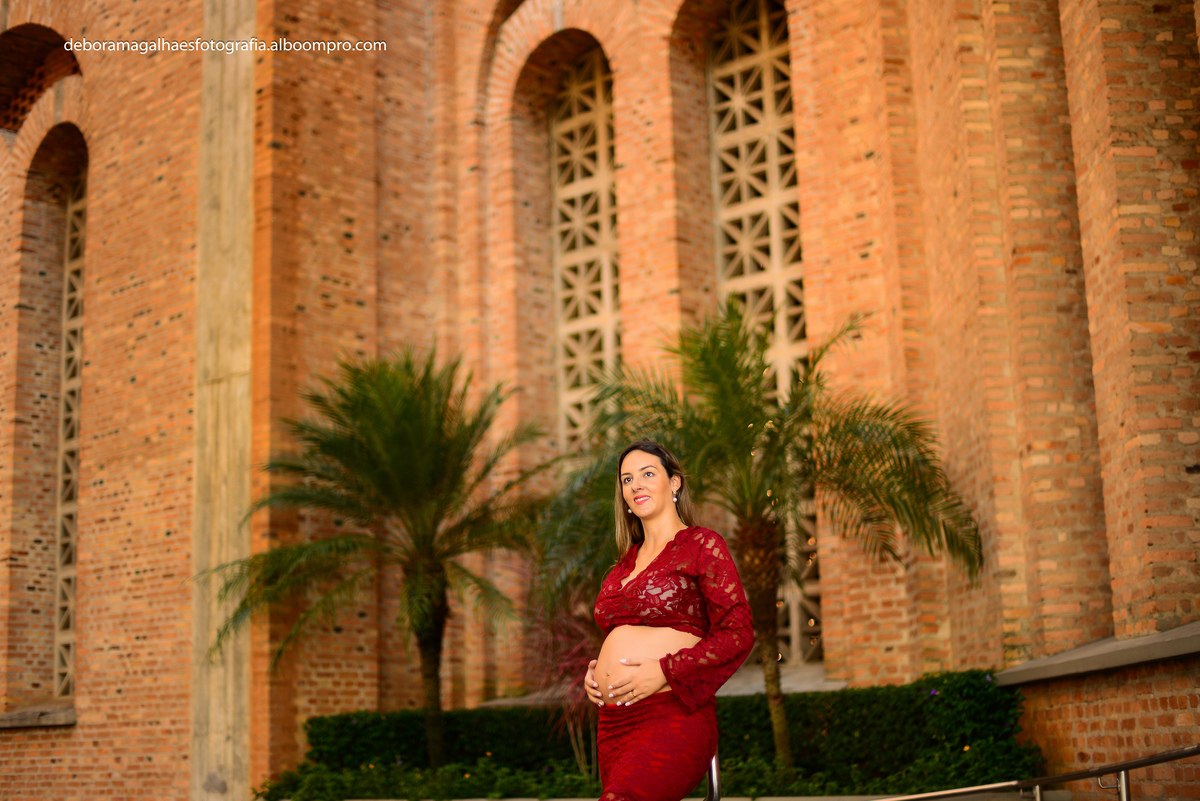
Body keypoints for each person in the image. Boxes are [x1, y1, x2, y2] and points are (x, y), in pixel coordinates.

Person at [585, 439, 754, 801]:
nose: (636, 485)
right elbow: (620, 634)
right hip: (613, 727)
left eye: (648, 474)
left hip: (672, 715)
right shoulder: (621, 566)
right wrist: (596, 672)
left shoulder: (701, 545)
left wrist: (665, 670)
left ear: (674, 482)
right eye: (627, 479)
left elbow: (738, 634)